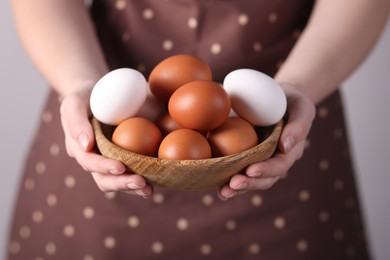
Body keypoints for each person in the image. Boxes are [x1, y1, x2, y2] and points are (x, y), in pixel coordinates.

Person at [7, 0, 389, 259]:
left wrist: (295, 90)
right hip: (104, 128)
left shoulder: (277, 110)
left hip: (283, 129)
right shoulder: (114, 107)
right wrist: (82, 85)